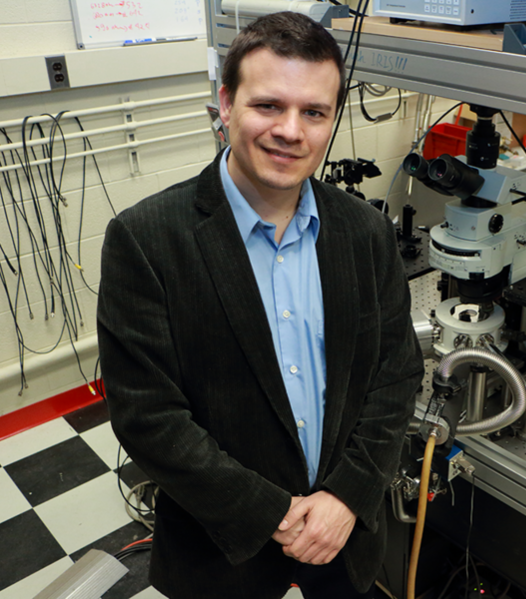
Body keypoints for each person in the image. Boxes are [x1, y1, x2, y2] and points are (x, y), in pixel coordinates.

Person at [97, 12, 424, 599]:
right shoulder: (146, 241)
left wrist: (347, 496)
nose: (291, 131)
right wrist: (271, 513)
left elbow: (395, 374)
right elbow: (149, 416)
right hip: (223, 551)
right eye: (268, 105)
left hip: (342, 534)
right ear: (225, 104)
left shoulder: (364, 232)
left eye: (314, 112)